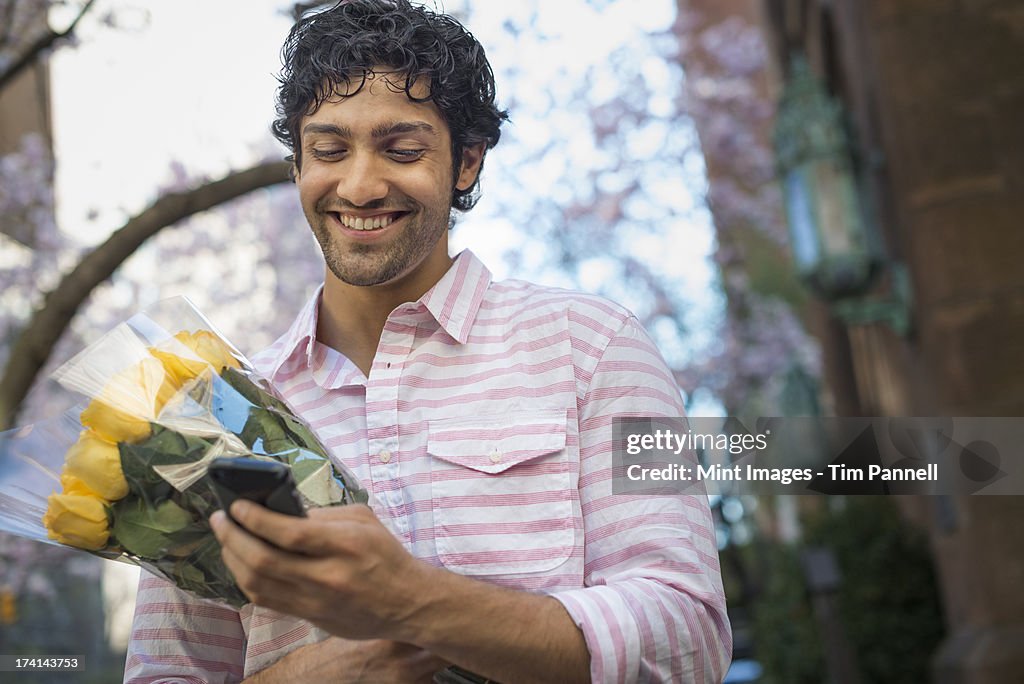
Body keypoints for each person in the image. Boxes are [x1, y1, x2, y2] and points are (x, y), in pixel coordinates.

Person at [123, 1, 732, 682]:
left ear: (466, 162)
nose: (359, 184)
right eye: (328, 150)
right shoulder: (214, 416)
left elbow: (688, 636)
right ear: (298, 166)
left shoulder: (597, 346)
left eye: (402, 150)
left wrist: (414, 603)